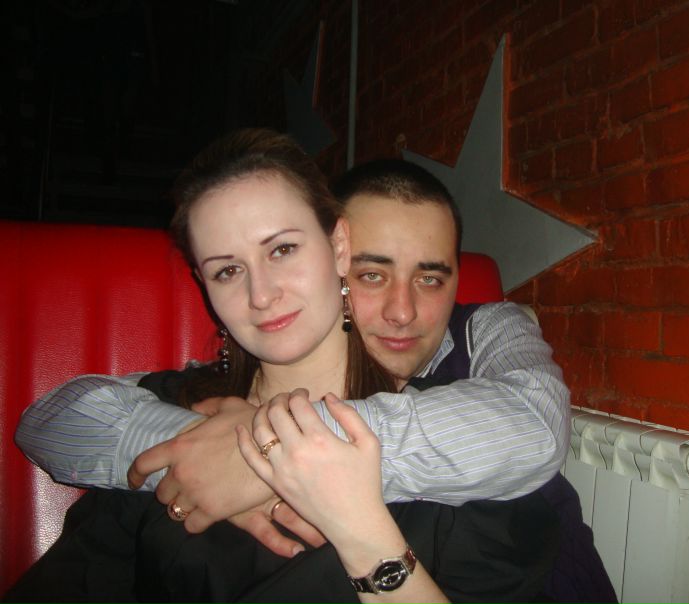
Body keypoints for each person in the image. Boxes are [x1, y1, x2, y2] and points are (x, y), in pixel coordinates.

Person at [14, 158, 614, 602]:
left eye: (431, 279)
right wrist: (219, 446)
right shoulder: (191, 407)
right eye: (373, 274)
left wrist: (273, 454)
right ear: (339, 257)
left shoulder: (482, 369)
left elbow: (533, 425)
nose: (403, 311)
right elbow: (55, 420)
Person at [7, 129, 454, 603]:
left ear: (338, 245)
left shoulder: (438, 432)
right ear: (205, 285)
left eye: (282, 249)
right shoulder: (169, 416)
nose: (261, 294)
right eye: (228, 271)